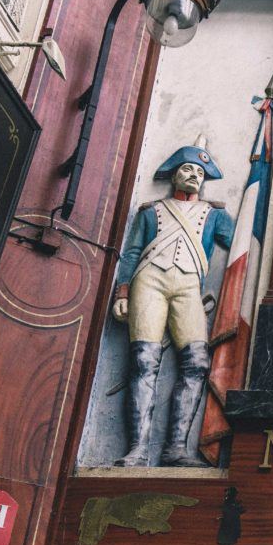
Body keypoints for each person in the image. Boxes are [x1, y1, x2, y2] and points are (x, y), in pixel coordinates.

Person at [112, 135, 234, 467]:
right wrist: (123, 292)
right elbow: (133, 253)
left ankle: (175, 448)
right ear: (174, 174)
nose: (194, 175)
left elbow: (237, 241)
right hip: (148, 283)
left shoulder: (214, 215)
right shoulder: (151, 212)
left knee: (196, 363)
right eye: (187, 169)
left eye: (199, 171)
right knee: (143, 362)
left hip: (188, 287)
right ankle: (138, 449)